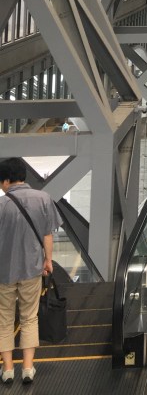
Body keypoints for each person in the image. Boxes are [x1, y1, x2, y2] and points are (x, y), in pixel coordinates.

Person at [0, 157, 61, 385]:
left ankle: (7, 370)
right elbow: (47, 234)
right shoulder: (43, 199)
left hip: (3, 273)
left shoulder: (2, 205)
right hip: (31, 269)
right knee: (29, 318)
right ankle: (27, 368)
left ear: (6, 180)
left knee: (4, 319)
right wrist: (48, 260)